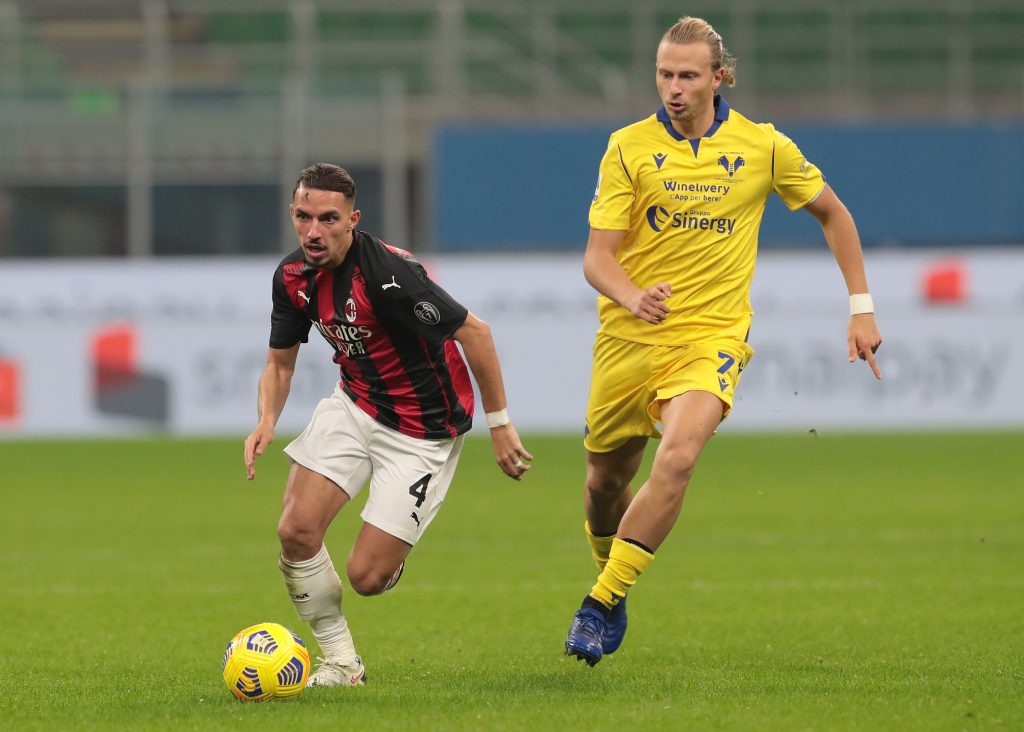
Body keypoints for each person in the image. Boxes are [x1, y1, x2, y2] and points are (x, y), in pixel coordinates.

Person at [563, 16, 883, 666]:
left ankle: (600, 602)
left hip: (711, 337)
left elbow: (833, 213)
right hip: (629, 338)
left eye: (687, 75)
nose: (673, 88)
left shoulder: (763, 146)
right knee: (603, 483)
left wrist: (861, 307)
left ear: (719, 77)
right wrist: (633, 296)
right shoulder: (627, 147)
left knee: (679, 457)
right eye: (664, 74)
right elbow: (598, 257)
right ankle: (612, 578)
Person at [244, 163, 532, 687]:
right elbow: (280, 364)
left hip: (423, 430)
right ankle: (341, 662)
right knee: (295, 530)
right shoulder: (292, 278)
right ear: (292, 214)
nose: (314, 231)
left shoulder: (389, 277)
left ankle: (390, 552)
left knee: (367, 577)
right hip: (355, 404)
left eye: (328, 219)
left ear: (353, 220)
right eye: (304, 217)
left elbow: (476, 334)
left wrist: (501, 426)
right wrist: (267, 419)